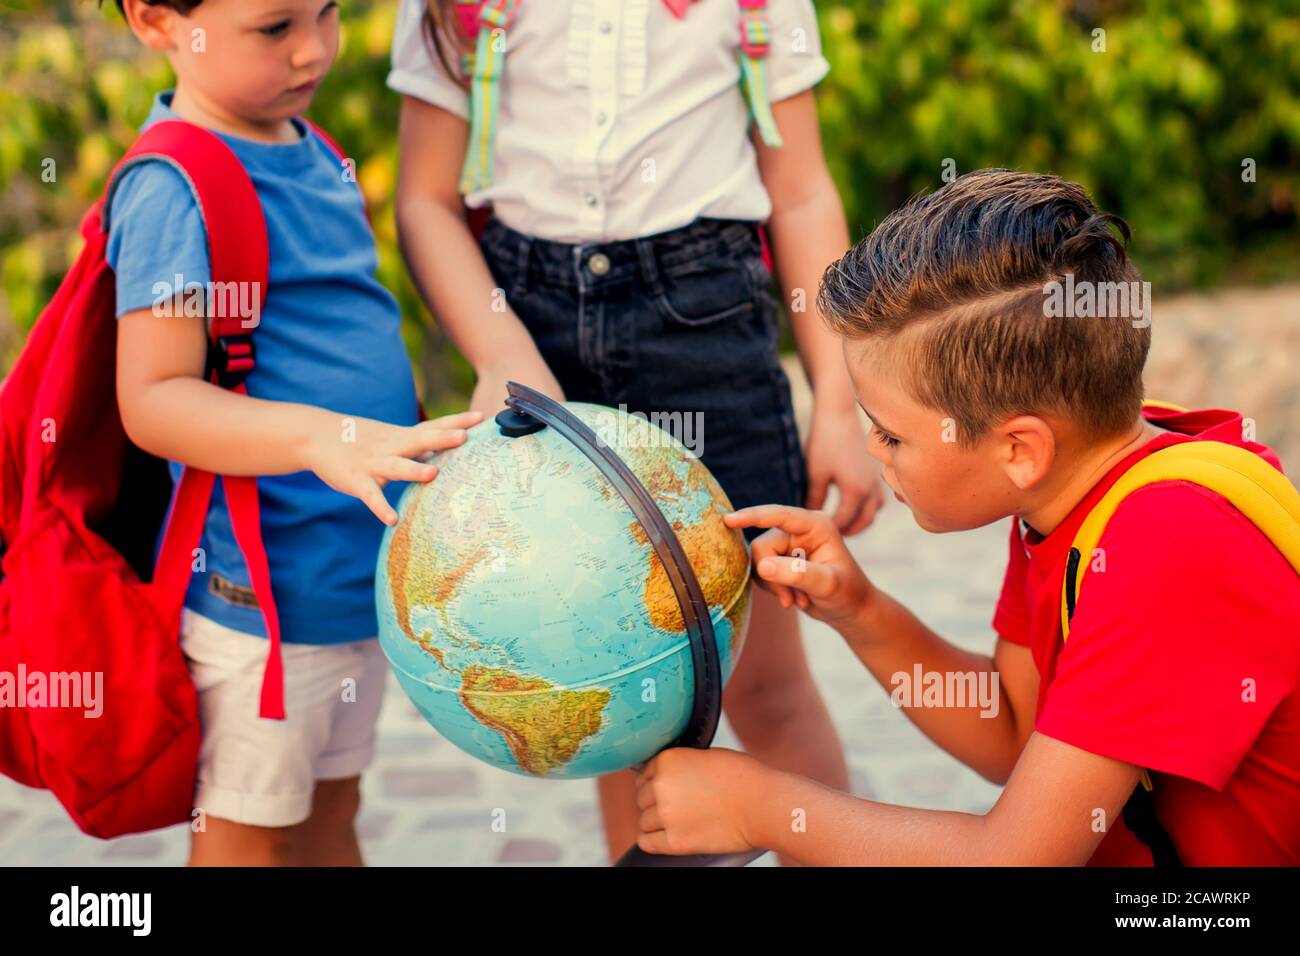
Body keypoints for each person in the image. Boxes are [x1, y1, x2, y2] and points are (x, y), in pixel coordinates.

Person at [634, 169, 1300, 865]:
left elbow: (1016, 857)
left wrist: (762, 809)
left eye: (891, 434)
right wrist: (860, 610)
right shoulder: (1077, 486)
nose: (873, 448)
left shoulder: (1171, 542)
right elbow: (1015, 733)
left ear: (1019, 448)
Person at [389, 0, 884, 860]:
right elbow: (425, 200)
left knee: (766, 688)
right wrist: (506, 352)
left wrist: (837, 404)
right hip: (530, 322)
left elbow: (801, 192)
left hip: (703, 329)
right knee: (615, 680)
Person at [110, 0, 481, 865]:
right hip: (260, 609)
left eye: (328, 12)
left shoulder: (304, 143)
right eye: (274, 28)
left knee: (329, 818)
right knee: (247, 836)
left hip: (350, 583)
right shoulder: (174, 184)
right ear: (157, 22)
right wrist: (323, 438)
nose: (314, 49)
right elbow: (154, 397)